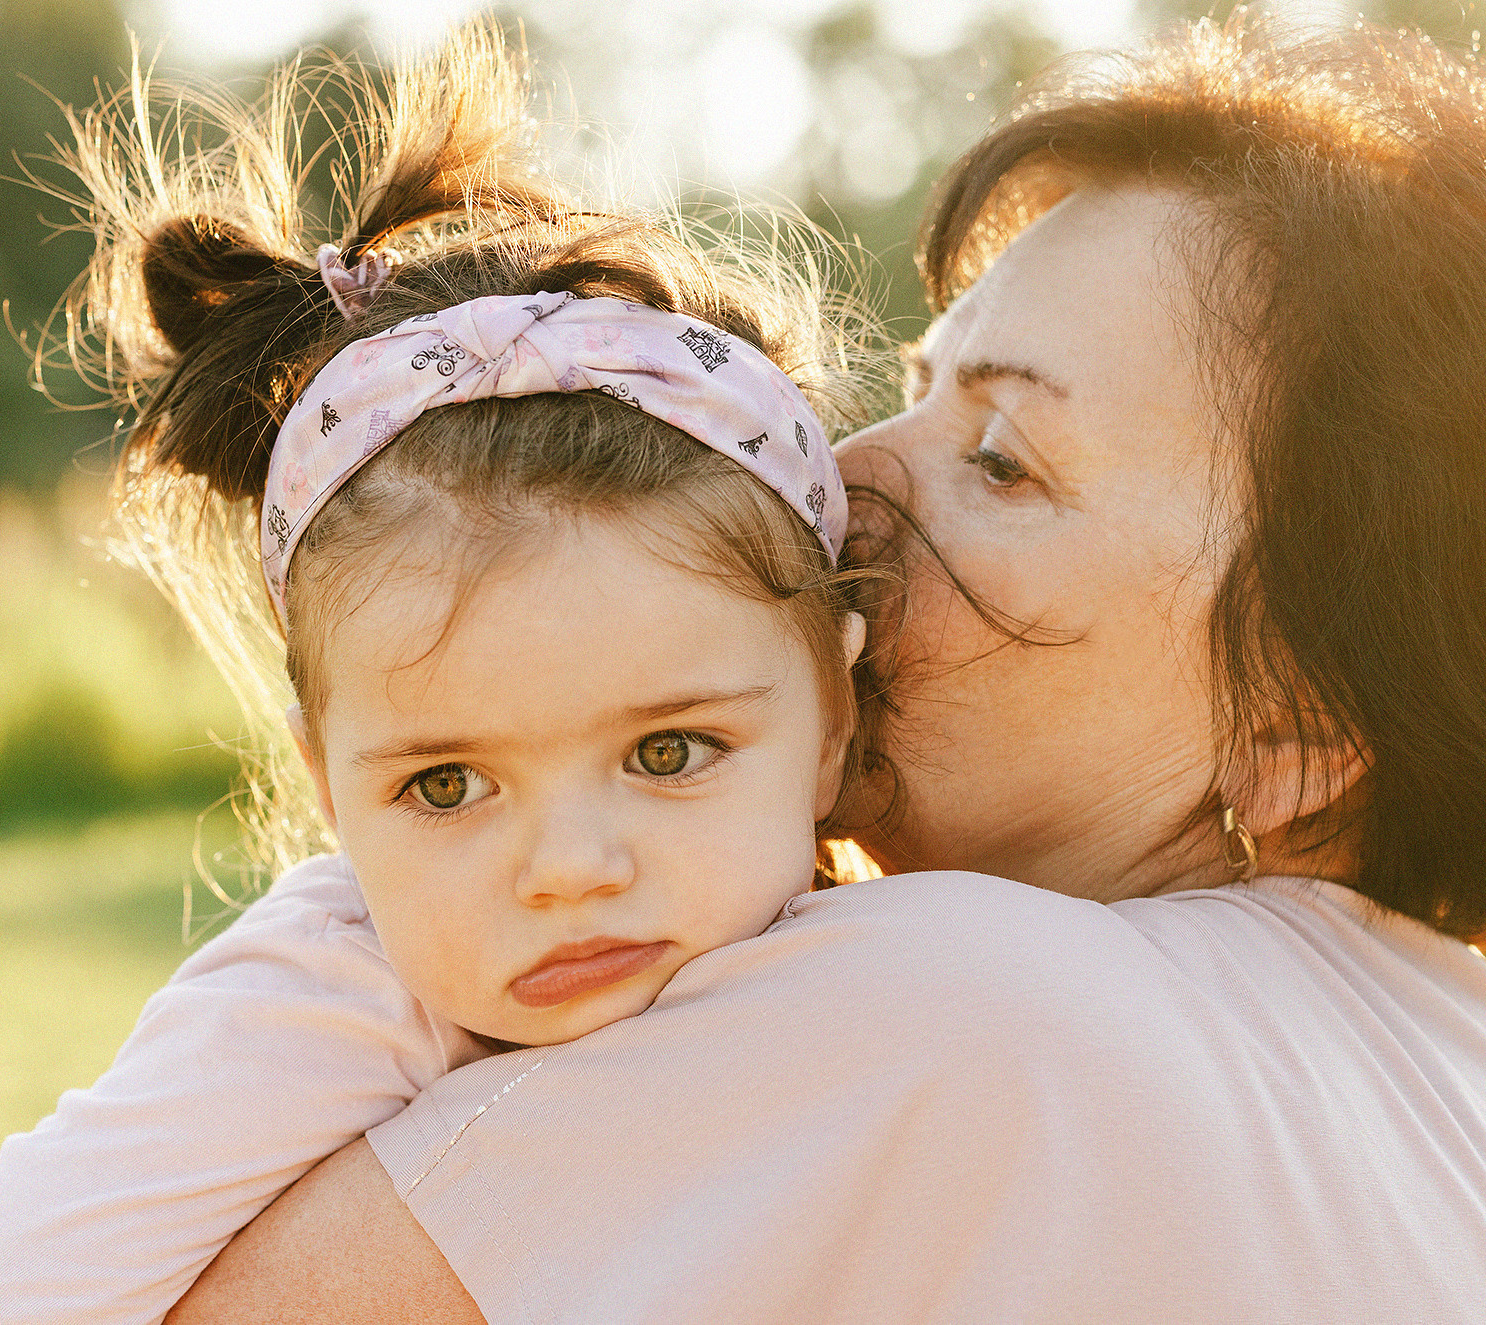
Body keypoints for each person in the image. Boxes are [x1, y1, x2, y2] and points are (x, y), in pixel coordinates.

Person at [159, 17, 1486, 1324]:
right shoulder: (1442, 1049)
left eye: (1003, 458)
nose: (841, 474)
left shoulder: (941, 1003)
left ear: (1307, 726)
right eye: (917, 387)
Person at [0, 26, 872, 1323]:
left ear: (835, 720)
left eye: (668, 751)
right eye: (447, 782)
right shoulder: (334, 1004)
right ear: (327, 786)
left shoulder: (893, 951)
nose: (567, 866)